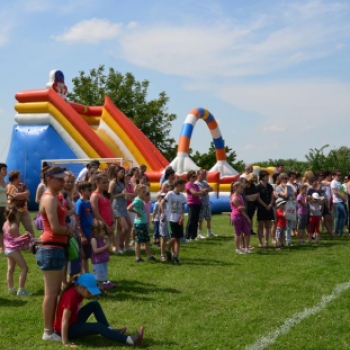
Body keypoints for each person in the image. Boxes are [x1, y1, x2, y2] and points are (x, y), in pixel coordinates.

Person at [36, 166, 74, 342]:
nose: (63, 181)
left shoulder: (56, 198)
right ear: (50, 179)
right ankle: (48, 331)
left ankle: (53, 328)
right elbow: (56, 227)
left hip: (56, 247)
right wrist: (68, 230)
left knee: (55, 291)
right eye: (59, 179)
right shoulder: (49, 199)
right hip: (51, 248)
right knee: (51, 293)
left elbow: (65, 214)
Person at [53, 273, 144, 347]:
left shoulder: (78, 291)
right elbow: (64, 321)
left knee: (94, 304)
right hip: (67, 330)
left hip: (74, 321)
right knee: (98, 326)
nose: (91, 294)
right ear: (81, 287)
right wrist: (65, 342)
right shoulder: (70, 296)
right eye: (89, 292)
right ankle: (131, 340)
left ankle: (109, 331)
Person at [4, 205, 35, 296]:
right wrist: (26, 237)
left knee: (10, 269)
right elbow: (16, 241)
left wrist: (22, 235)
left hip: (8, 249)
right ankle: (21, 290)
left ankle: (11, 289)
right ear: (16, 214)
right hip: (13, 250)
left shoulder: (6, 224)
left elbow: (11, 237)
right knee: (25, 268)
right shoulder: (14, 226)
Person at [127, 184, 157, 262]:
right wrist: (137, 212)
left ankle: (149, 256)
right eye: (143, 192)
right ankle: (138, 257)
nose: (144, 194)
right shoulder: (137, 200)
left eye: (145, 192)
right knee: (139, 241)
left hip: (143, 222)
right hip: (139, 223)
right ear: (138, 192)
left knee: (146, 240)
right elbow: (129, 208)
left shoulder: (140, 200)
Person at [160, 179, 187, 264]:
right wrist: (164, 214)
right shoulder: (170, 194)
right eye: (183, 185)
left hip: (178, 219)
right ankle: (167, 249)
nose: (184, 187)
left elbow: (182, 208)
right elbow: (162, 202)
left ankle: (175, 256)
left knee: (178, 239)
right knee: (173, 237)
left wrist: (182, 216)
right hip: (171, 219)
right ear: (178, 185)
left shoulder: (182, 196)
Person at [108, 167, 133, 254]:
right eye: (121, 172)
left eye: (123, 172)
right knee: (125, 227)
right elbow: (110, 196)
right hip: (116, 206)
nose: (123, 174)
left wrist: (126, 196)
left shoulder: (122, 182)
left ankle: (120, 246)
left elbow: (124, 193)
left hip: (123, 205)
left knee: (127, 226)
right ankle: (118, 244)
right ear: (116, 172)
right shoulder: (113, 182)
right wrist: (121, 194)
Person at [90, 173, 115, 251]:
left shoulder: (106, 195)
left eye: (107, 182)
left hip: (109, 223)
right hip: (101, 226)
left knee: (108, 249)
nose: (106, 184)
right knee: (102, 247)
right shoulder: (95, 195)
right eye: (103, 183)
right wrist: (105, 225)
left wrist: (113, 222)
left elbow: (111, 209)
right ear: (97, 183)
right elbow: (95, 212)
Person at [7, 170, 34, 234]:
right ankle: (16, 243)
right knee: (15, 229)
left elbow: (28, 193)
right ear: (15, 178)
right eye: (19, 177)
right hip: (14, 211)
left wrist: (19, 195)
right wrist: (23, 195)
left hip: (24, 211)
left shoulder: (22, 185)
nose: (20, 178)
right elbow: (14, 196)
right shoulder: (10, 186)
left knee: (29, 228)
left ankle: (32, 242)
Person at [75, 181, 94, 273]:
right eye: (89, 190)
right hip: (84, 233)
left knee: (89, 254)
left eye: (91, 189)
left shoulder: (89, 202)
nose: (91, 191)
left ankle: (88, 273)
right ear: (82, 191)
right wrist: (82, 235)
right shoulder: (80, 203)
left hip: (90, 232)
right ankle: (85, 274)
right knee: (84, 256)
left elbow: (91, 216)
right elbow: (77, 220)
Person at [230, 182, 251, 254]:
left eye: (242, 187)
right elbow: (240, 208)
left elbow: (242, 208)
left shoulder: (240, 196)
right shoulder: (234, 197)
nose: (242, 189)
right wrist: (247, 218)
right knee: (238, 233)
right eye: (240, 187)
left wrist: (243, 208)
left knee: (247, 231)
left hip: (241, 216)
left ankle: (246, 248)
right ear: (235, 188)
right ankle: (237, 248)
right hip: (236, 216)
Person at [275, 173, 296, 246]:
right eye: (284, 179)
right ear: (280, 179)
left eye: (286, 178)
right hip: (282, 207)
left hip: (289, 206)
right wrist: (286, 187)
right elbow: (285, 195)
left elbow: (293, 196)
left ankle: (289, 240)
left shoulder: (289, 187)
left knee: (289, 225)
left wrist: (291, 196)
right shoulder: (278, 187)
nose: (286, 180)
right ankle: (281, 241)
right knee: (282, 225)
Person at [90, 220, 111, 292]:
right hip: (98, 262)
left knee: (102, 277)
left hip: (102, 261)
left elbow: (107, 245)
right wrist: (105, 247)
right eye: (103, 230)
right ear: (96, 231)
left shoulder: (101, 239)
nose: (104, 232)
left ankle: (101, 288)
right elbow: (95, 250)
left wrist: (106, 239)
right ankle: (99, 290)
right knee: (98, 277)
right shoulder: (94, 239)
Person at [195, 169, 216, 238]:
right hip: (201, 203)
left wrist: (206, 190)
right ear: (198, 175)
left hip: (207, 202)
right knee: (200, 219)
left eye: (204, 174)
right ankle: (200, 233)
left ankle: (209, 232)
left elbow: (212, 188)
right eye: (202, 174)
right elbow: (202, 191)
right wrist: (206, 190)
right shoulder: (196, 184)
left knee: (208, 218)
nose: (204, 176)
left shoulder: (204, 183)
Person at [256, 170, 275, 247]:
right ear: (262, 177)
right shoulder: (258, 187)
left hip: (269, 207)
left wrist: (270, 204)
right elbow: (258, 198)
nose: (268, 178)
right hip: (261, 207)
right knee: (260, 225)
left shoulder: (270, 186)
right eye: (266, 176)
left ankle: (266, 241)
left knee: (267, 225)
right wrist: (265, 205)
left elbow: (272, 196)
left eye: (268, 176)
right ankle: (260, 242)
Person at [185, 170, 203, 241]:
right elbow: (194, 193)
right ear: (189, 177)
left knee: (196, 220)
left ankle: (193, 236)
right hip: (192, 204)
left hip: (197, 203)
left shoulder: (196, 185)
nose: (194, 178)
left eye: (195, 176)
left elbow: (200, 192)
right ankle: (187, 236)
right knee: (191, 220)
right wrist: (199, 193)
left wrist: (198, 193)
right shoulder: (188, 184)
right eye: (193, 176)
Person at [331, 170, 347, 236]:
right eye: (338, 175)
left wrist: (344, 198)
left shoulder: (339, 183)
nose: (339, 176)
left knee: (341, 217)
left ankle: (340, 231)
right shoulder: (333, 182)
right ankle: (337, 231)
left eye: (340, 175)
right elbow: (335, 192)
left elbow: (342, 191)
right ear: (334, 176)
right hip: (337, 202)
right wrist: (343, 198)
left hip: (341, 201)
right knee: (341, 216)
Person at [0, 163, 8, 253]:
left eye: (6, 169)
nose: (6, 171)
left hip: (5, 206)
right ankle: (1, 247)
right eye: (3, 169)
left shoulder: (6, 182)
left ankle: (5, 246)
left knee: (4, 227)